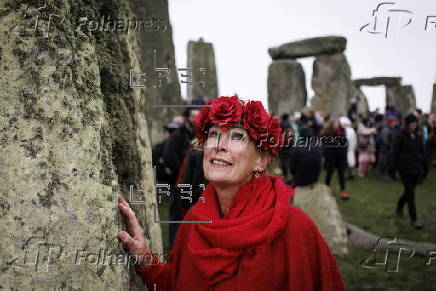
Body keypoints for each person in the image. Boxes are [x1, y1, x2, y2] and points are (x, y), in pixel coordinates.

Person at [117, 96, 346, 290]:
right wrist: (146, 258)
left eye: (237, 136)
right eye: (214, 134)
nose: (219, 145)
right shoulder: (195, 222)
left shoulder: (295, 229)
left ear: (261, 160)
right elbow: (178, 282)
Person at [393, 114, 427, 230]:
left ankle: (399, 206)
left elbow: (421, 153)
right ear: (407, 124)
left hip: (416, 168)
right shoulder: (400, 136)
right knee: (411, 193)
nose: (414, 125)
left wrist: (423, 168)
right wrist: (395, 169)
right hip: (404, 169)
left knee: (408, 192)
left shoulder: (418, 136)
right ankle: (414, 220)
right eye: (412, 123)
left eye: (415, 123)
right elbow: (395, 153)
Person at [322, 118, 350, 200]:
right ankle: (326, 189)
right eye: (335, 123)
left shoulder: (342, 131)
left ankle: (343, 190)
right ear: (332, 124)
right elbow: (323, 143)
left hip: (341, 156)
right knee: (330, 172)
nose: (336, 124)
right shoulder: (327, 132)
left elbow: (345, 142)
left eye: (337, 123)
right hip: (331, 156)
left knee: (341, 174)